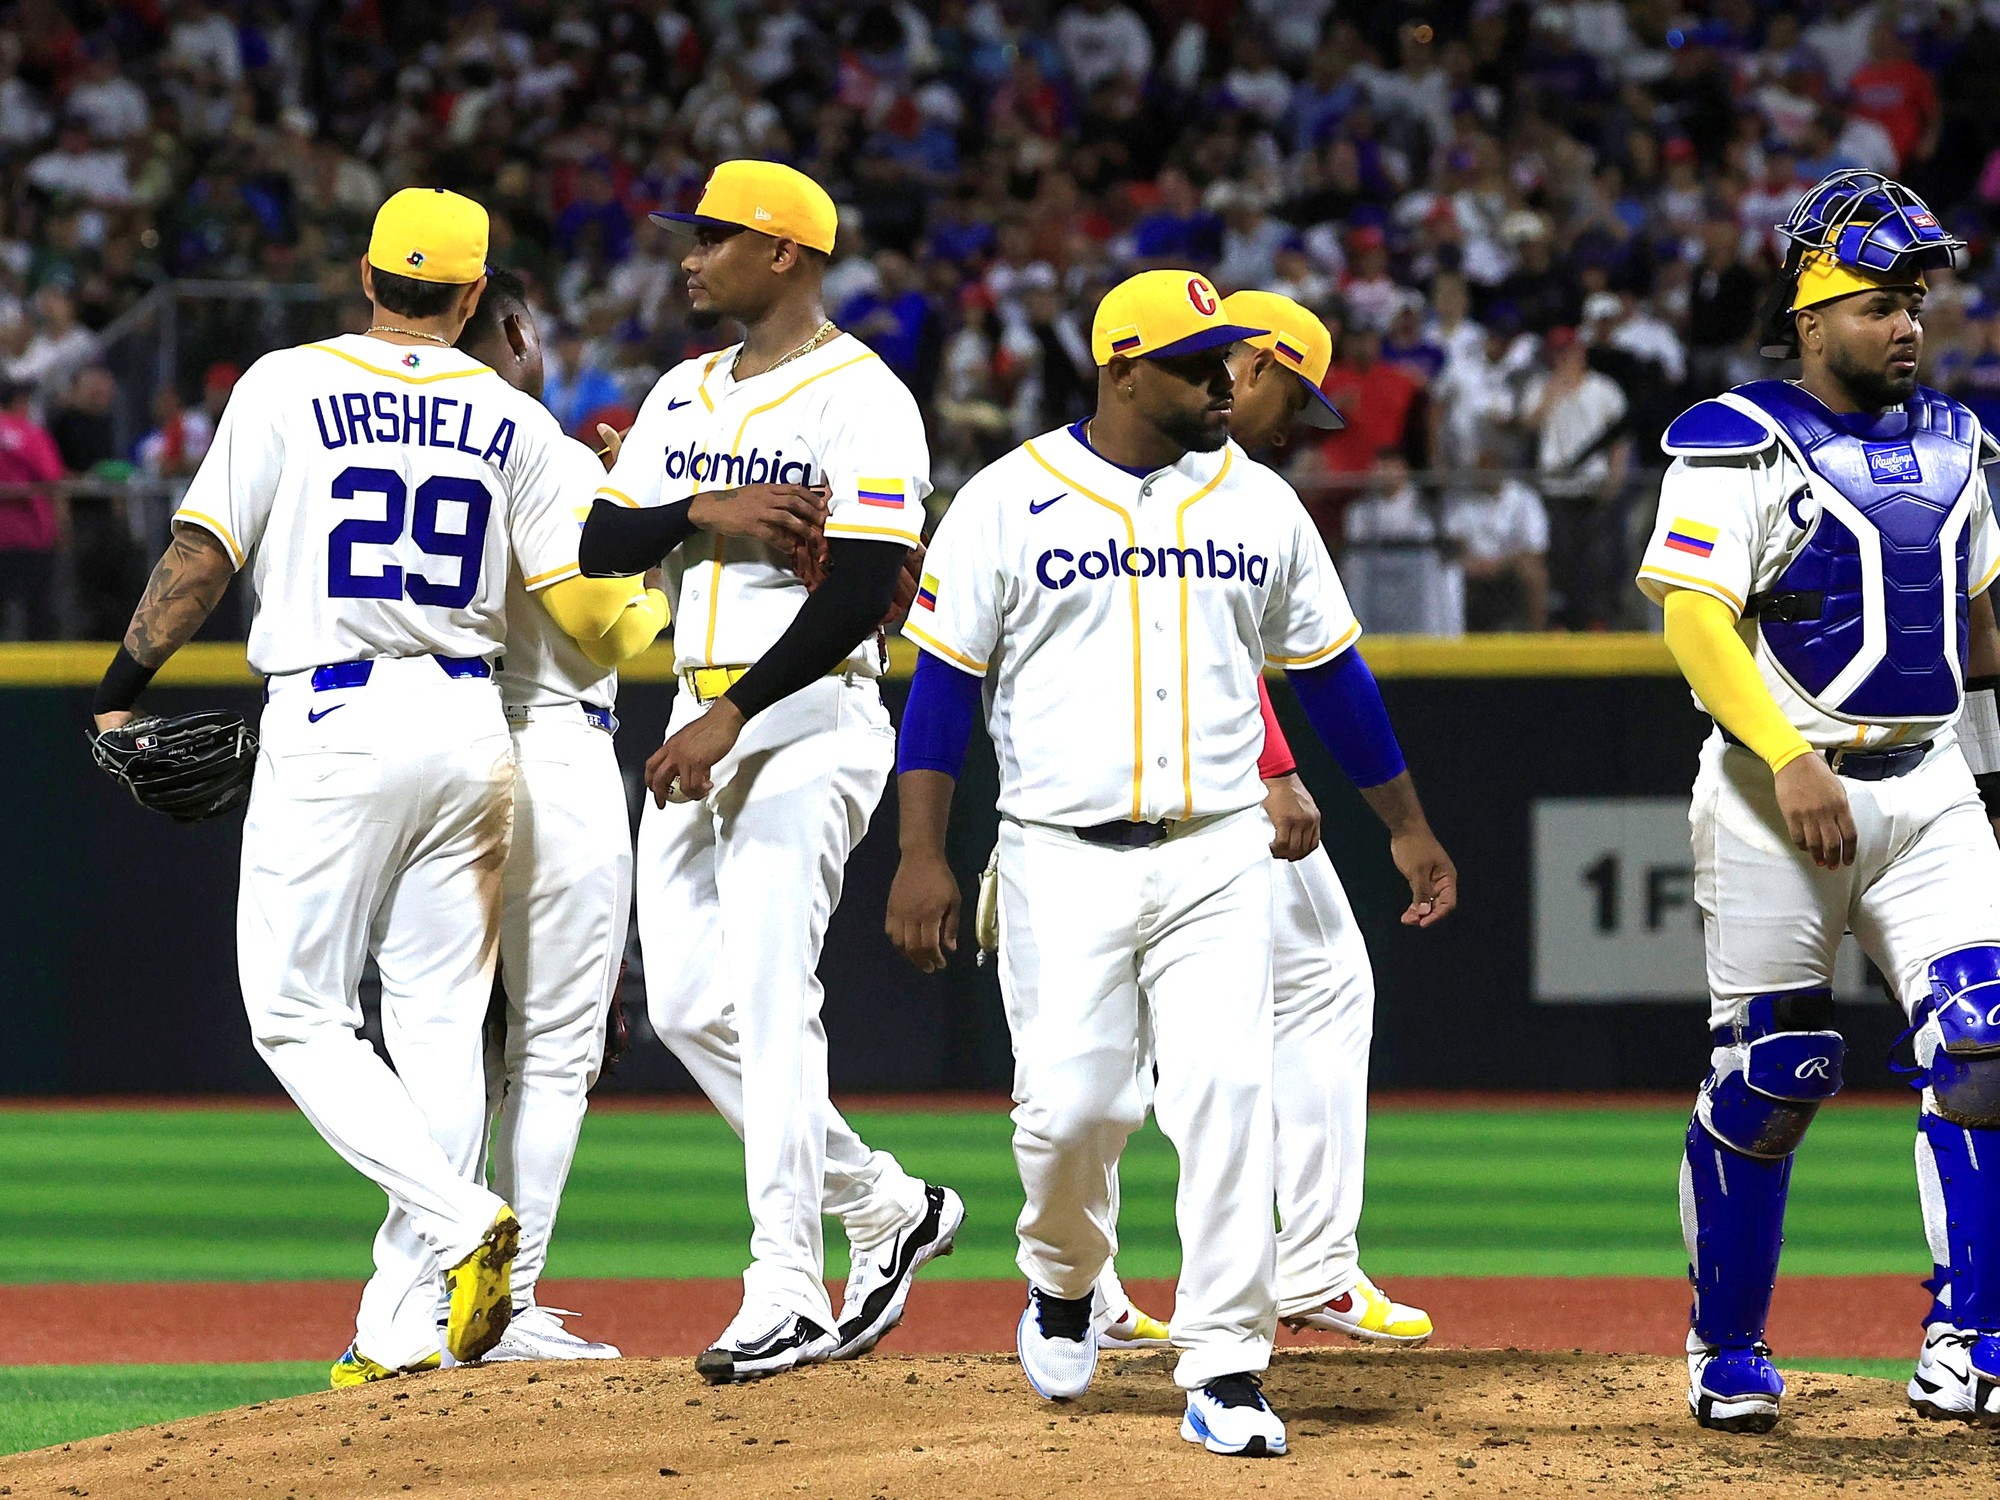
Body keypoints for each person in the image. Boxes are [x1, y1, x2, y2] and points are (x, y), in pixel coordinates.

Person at [885, 270, 1448, 1458]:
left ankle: (1227, 1363)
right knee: (1071, 1113)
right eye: (1196, 365)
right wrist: (920, 853)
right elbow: (940, 687)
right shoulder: (1006, 498)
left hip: (1216, 852)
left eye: (1222, 360)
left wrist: (1403, 822)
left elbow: (1331, 676)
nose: (1220, 383)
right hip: (1056, 858)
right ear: (1122, 368)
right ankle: (1062, 1277)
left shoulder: (1260, 504)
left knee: (1228, 1099)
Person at [88, 188, 642, 1387]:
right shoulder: (515, 420)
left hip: (335, 715)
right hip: (471, 723)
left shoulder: (288, 382)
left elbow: (201, 554)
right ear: (475, 294)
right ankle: (404, 1326)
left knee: (295, 1013)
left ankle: (458, 1222)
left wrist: (119, 688)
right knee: (437, 1021)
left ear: (367, 276)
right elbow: (584, 595)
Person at [577, 160, 963, 1385]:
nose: (690, 259)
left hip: (803, 716)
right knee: (690, 1008)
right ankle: (886, 1204)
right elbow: (601, 538)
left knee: (768, 989)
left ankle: (786, 1286)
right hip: (697, 715)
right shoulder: (682, 390)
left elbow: (862, 589)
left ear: (784, 252)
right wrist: (705, 507)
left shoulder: (864, 396)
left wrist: (734, 714)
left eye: (712, 238)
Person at [1635, 170, 2000, 1433]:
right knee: (1771, 1073)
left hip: (1928, 784)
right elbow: (1692, 618)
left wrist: (1990, 783)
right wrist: (1787, 757)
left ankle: (1972, 1337)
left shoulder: (1958, 443)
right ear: (1808, 316)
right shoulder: (1732, 437)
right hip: (1770, 794)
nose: (1906, 324)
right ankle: (1725, 1347)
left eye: (1914, 302)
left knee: (1983, 1042)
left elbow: (1978, 636)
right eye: (1877, 304)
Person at [1091, 290, 1455, 1354]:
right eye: (1294, 397)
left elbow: (1305, 666)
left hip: (1105, 793)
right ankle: (1303, 1269)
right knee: (1291, 990)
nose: (1297, 426)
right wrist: (1278, 771)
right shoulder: (1199, 480)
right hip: (1162, 792)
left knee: (1123, 1034)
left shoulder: (1171, 475)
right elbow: (1194, 651)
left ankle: (1086, 1287)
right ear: (1248, 366)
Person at [409, 268, 664, 1362]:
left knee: (457, 1042)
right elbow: (612, 627)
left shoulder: (422, 450)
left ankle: (422, 1295)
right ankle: (501, 1308)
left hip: (447, 744)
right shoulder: (543, 450)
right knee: (557, 1049)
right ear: (514, 328)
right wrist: (649, 551)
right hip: (554, 745)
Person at [0, 376, 65, 639]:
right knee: (38, 609)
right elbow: (52, 480)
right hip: (30, 535)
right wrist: (62, 528)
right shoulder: (30, 433)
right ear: (19, 401)